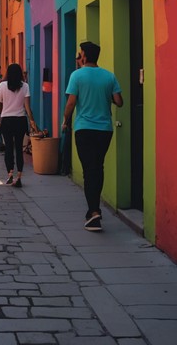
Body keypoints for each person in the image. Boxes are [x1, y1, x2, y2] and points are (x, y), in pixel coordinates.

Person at [62, 41, 123, 232]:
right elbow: (119, 101)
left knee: (89, 170)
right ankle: (94, 209)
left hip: (84, 129)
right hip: (105, 129)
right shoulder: (109, 76)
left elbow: (71, 103)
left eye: (80, 55)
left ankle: (94, 212)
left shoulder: (77, 75)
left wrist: (65, 121)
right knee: (98, 166)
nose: (78, 58)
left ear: (85, 56)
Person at [0, 63, 41, 187]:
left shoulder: (2, 85)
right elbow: (28, 108)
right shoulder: (25, 86)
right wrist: (32, 122)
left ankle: (10, 174)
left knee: (8, 148)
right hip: (20, 120)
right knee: (19, 148)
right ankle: (19, 176)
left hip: (6, 121)